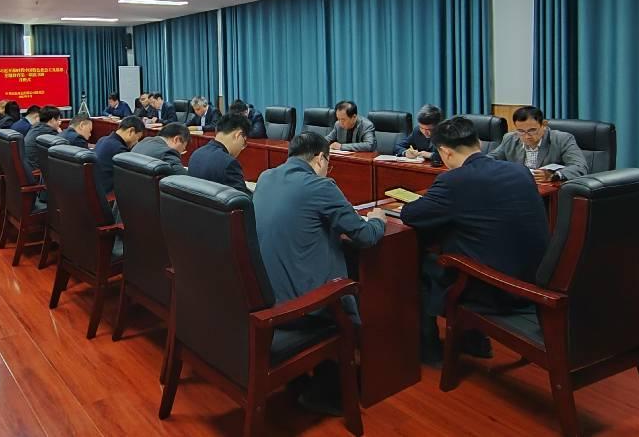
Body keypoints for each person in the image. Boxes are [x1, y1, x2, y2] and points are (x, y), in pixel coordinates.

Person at [254, 132, 386, 414]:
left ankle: (302, 379)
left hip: (264, 297)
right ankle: (328, 391)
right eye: (329, 163)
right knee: (344, 292)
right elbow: (364, 236)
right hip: (299, 310)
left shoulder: (266, 177)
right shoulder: (320, 186)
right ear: (319, 159)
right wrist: (378, 221)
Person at [400, 117, 550, 366]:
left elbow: (410, 215)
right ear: (478, 143)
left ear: (445, 152)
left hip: (496, 290)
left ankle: (430, 350)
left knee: (418, 265)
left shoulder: (454, 181)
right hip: (534, 280)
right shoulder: (519, 171)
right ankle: (475, 342)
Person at [488, 106, 588, 181]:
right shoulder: (510, 138)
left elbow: (580, 166)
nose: (527, 136)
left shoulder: (562, 139)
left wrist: (554, 175)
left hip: (549, 192)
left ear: (543, 125)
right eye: (521, 131)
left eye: (532, 130)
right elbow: (490, 159)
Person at [188, 113, 252, 195]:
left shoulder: (196, 154)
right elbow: (242, 198)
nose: (242, 147)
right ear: (238, 135)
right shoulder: (229, 163)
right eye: (244, 142)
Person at [93, 116, 145, 198]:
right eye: (138, 137)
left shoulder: (102, 139)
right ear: (131, 131)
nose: (136, 142)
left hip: (95, 190)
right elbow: (129, 179)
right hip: (107, 196)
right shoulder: (119, 150)